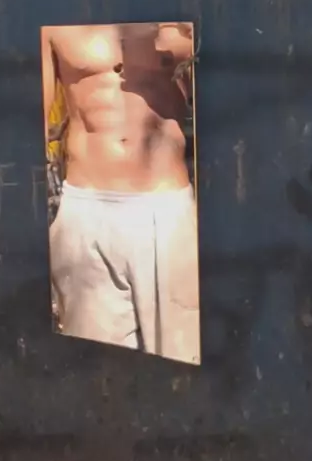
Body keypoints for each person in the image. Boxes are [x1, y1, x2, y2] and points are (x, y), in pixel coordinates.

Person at [41, 22, 200, 364]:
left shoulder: (181, 17)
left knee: (184, 356)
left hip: (166, 208)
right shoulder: (53, 21)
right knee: (93, 367)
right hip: (86, 209)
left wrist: (183, 44)